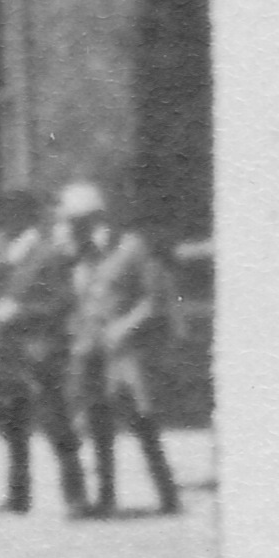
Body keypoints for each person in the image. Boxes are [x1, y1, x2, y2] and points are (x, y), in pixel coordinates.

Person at [64, 182, 186, 519]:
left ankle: (168, 493)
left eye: (81, 221)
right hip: (91, 349)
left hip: (124, 352)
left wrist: (124, 327)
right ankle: (106, 497)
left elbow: (154, 300)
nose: (75, 228)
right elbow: (83, 302)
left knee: (141, 420)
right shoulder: (81, 256)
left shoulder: (132, 249)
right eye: (73, 222)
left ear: (98, 217)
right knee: (99, 423)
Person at [0, 189, 92, 517]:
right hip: (11, 353)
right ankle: (18, 497)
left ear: (23, 220)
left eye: (7, 219)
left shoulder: (48, 254)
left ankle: (76, 497)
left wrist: (21, 313)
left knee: (57, 424)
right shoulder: (13, 256)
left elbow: (62, 302)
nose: (1, 227)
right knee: (14, 426)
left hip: (42, 350)